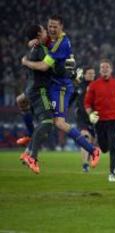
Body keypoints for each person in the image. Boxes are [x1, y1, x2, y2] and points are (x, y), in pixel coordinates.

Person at [21, 15, 101, 169]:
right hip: (51, 84)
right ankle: (30, 144)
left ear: (61, 27)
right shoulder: (51, 39)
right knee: (25, 102)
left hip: (61, 87)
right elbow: (40, 40)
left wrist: (25, 62)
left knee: (58, 122)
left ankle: (92, 150)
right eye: (49, 26)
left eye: (55, 27)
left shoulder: (60, 44)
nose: (51, 29)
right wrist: (32, 42)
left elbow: (44, 66)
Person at [19, 24, 54, 173]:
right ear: (39, 34)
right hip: (40, 91)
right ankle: (32, 155)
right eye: (44, 30)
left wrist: (25, 61)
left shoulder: (32, 48)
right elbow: (44, 66)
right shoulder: (41, 49)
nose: (47, 31)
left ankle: (28, 147)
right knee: (47, 122)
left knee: (44, 122)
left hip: (32, 89)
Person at [72, 67, 96, 172]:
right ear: (85, 75)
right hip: (82, 117)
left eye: (93, 74)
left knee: (91, 141)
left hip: (93, 117)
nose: (91, 75)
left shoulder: (97, 86)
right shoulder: (79, 86)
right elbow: (73, 98)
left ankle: (90, 159)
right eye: (89, 73)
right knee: (85, 137)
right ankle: (85, 165)